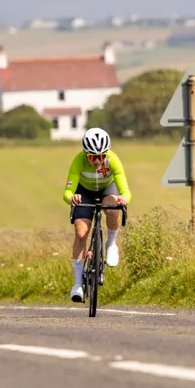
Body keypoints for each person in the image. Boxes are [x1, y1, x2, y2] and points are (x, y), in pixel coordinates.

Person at [62, 127, 131, 303]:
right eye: (93, 157)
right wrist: (73, 198)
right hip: (84, 191)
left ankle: (111, 244)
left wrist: (123, 199)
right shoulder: (78, 161)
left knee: (112, 206)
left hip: (108, 189)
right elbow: (67, 192)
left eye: (101, 156)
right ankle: (77, 284)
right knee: (81, 233)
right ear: (86, 155)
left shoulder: (113, 160)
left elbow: (126, 191)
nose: (98, 160)